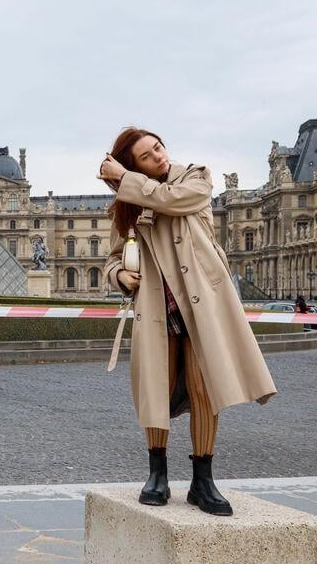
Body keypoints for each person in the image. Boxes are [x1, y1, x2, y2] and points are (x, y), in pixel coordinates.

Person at [99, 127, 276, 516]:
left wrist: (124, 180)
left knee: (202, 387)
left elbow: (171, 200)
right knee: (158, 387)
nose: (159, 157)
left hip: (200, 306)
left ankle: (203, 480)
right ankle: (157, 475)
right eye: (146, 156)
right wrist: (119, 276)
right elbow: (113, 257)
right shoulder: (126, 207)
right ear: (134, 165)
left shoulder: (196, 178)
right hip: (158, 307)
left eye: (158, 147)